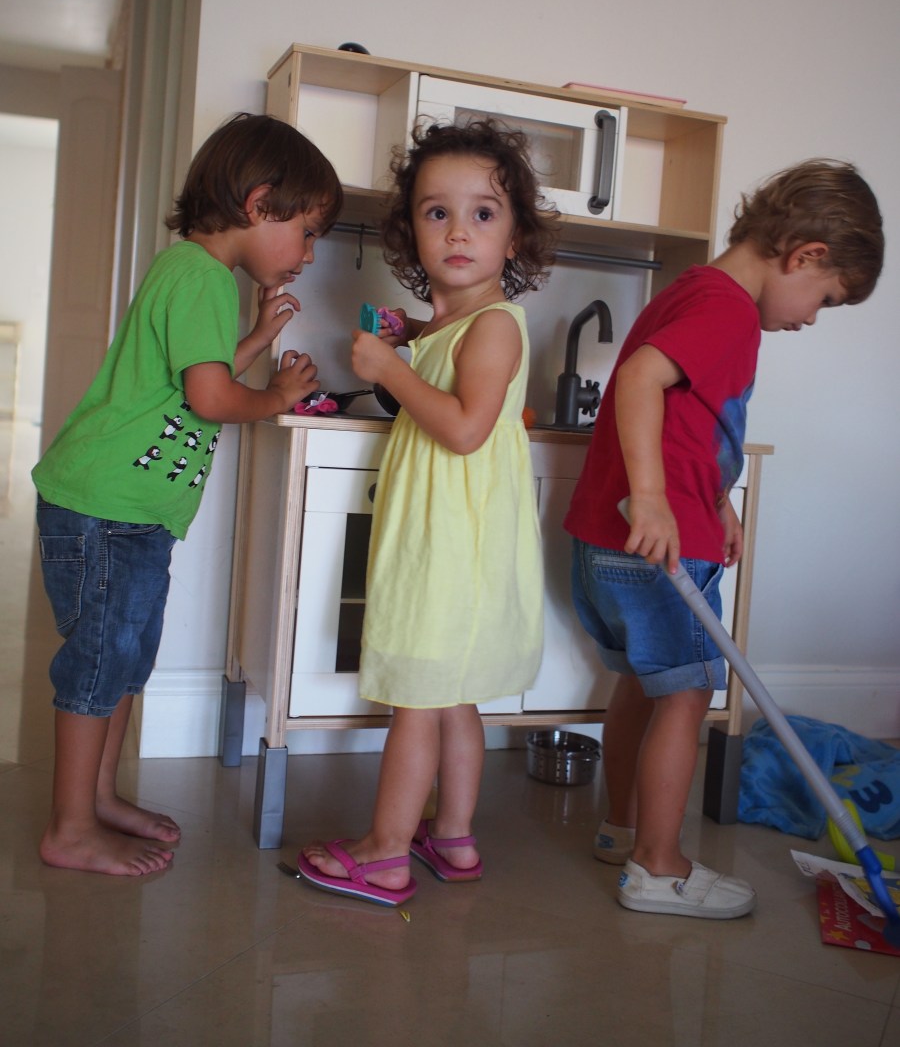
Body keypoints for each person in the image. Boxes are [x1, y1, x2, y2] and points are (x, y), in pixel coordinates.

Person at [565, 158, 884, 920]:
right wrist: (654, 499)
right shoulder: (728, 310)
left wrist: (715, 499)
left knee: (640, 683)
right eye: (825, 299)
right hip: (659, 547)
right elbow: (640, 379)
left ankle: (621, 829)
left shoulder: (691, 290)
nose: (811, 318)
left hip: (608, 539)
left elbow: (690, 420)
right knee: (687, 696)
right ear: (804, 255)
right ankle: (659, 867)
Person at [33, 112, 342, 877]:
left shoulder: (195, 273)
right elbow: (209, 398)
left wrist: (256, 341)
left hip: (128, 513)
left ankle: (98, 798)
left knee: (124, 662)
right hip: (107, 510)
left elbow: (191, 375)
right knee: (100, 665)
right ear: (259, 204)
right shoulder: (202, 275)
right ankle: (70, 827)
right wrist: (275, 398)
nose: (308, 253)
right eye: (306, 232)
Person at [298, 119, 558, 906]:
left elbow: (465, 427)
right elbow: (453, 363)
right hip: (457, 542)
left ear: (515, 237)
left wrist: (387, 368)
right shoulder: (460, 324)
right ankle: (453, 836)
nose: (458, 231)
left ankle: (384, 854)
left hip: (447, 547)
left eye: (484, 213)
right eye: (437, 212)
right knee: (453, 697)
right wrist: (414, 337)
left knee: (416, 697)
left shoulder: (494, 326)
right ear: (411, 230)